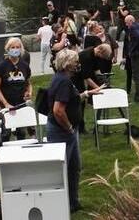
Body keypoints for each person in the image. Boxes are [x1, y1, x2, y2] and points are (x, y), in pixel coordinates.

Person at [46, 49, 85, 214]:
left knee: (74, 167)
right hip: (62, 131)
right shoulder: (63, 82)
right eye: (75, 61)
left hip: (66, 131)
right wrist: (69, 127)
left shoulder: (62, 79)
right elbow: (58, 110)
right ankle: (60, 205)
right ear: (68, 64)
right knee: (62, 169)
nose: (78, 64)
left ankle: (73, 202)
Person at [0, 37, 33, 112]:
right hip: (7, 106)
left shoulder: (25, 65)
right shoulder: (2, 66)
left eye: (17, 47)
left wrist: (29, 93)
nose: (15, 49)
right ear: (8, 49)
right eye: (13, 47)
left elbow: (28, 83)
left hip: (22, 105)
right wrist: (5, 103)